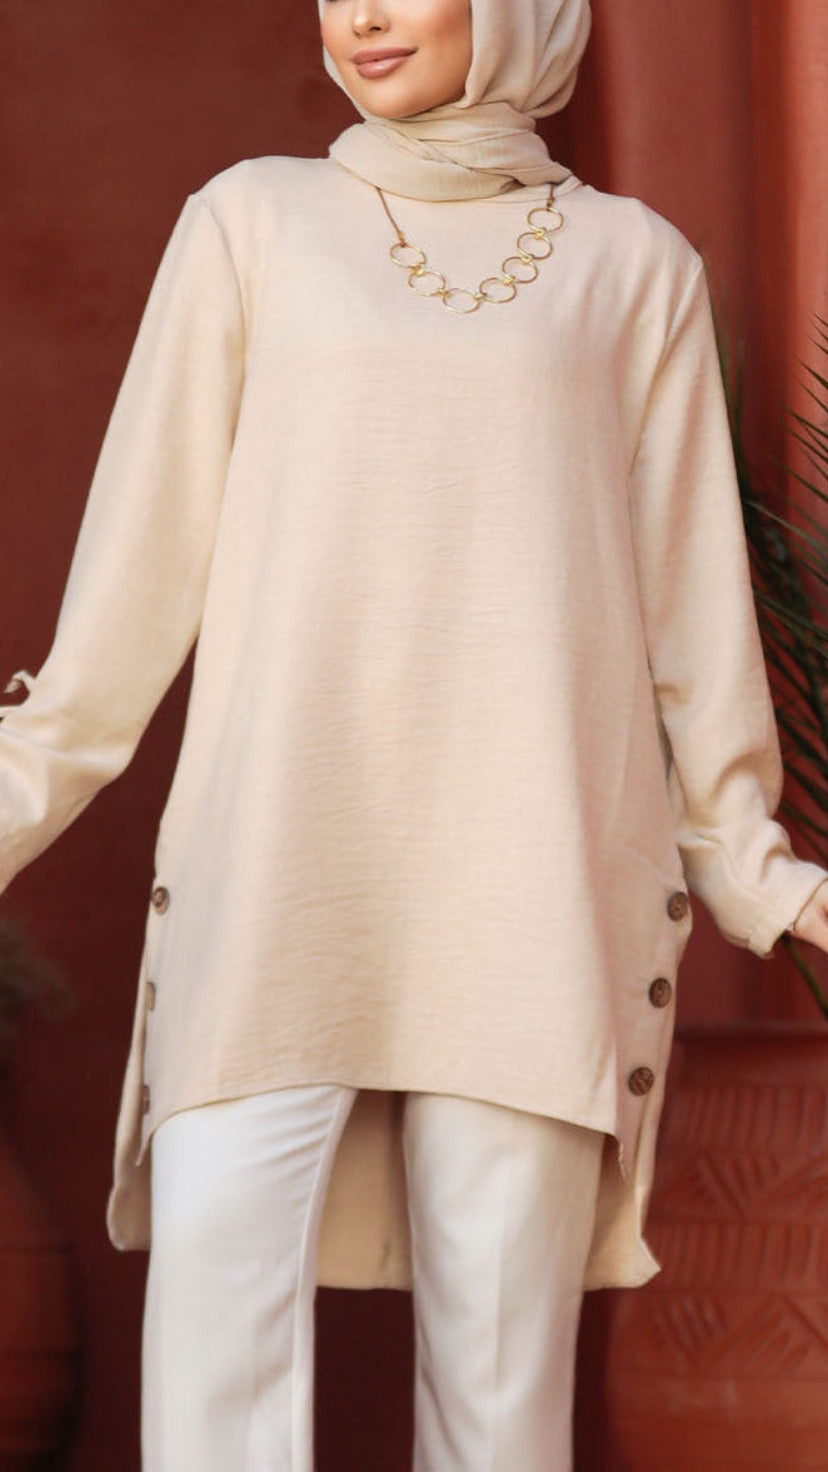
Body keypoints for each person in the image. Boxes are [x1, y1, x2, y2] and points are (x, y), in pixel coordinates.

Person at [2, 1, 828, 1468]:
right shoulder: (252, 224)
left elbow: (695, 624)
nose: (362, 17)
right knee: (212, 1355)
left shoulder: (634, 266)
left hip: (530, 890)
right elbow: (127, 594)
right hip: (278, 871)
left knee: (500, 1399)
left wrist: (764, 877)